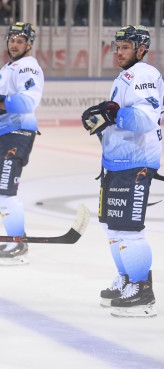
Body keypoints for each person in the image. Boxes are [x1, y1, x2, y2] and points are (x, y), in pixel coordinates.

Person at [80, 25, 162, 317]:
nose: (118, 52)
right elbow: (121, 116)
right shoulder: (127, 75)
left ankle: (142, 290)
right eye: (117, 47)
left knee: (129, 230)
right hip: (118, 164)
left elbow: (144, 119)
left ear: (141, 48)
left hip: (136, 163)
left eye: (125, 47)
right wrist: (105, 119)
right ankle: (127, 278)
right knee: (114, 229)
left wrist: (111, 114)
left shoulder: (144, 74)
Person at [0, 22, 44, 266]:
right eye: (12, 39)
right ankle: (15, 238)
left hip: (17, 133)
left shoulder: (28, 67)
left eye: (20, 40)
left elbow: (28, 102)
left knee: (5, 191)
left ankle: (19, 242)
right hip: (3, 134)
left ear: (29, 44)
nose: (14, 44)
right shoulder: (10, 67)